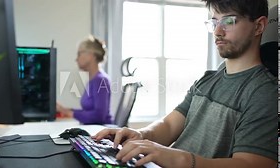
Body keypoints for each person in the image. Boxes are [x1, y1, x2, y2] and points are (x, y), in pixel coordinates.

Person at [93, 0, 277, 167]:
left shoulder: (264, 92)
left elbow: (254, 164)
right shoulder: (207, 80)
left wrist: (180, 158)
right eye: (214, 22)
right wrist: (141, 135)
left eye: (228, 21)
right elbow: (170, 125)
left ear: (259, 26)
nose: (218, 31)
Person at [57, 35, 112, 125]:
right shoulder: (93, 80)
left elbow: (99, 116)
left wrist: (69, 112)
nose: (76, 59)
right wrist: (65, 110)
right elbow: (89, 111)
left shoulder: (101, 80)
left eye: (79, 54)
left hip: (101, 130)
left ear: (91, 55)